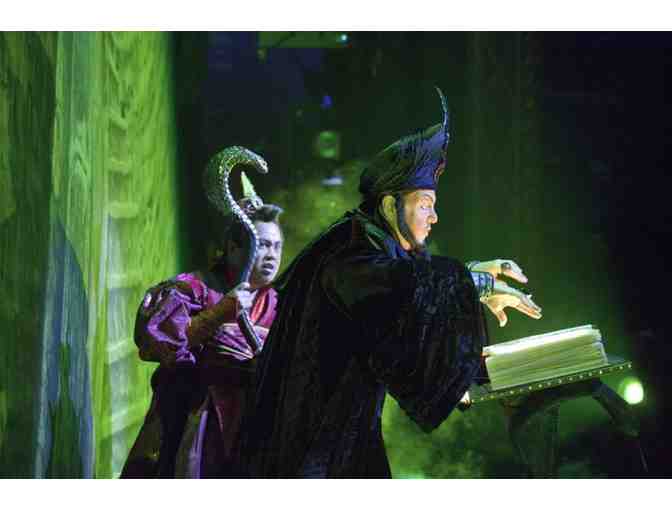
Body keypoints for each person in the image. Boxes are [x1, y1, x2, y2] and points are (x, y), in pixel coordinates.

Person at [243, 88, 542, 478]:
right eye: (425, 205)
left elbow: (406, 291)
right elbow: (399, 289)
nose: (434, 217)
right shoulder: (347, 250)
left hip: (343, 431)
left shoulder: (371, 242)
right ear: (389, 205)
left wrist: (472, 278)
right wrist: (475, 284)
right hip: (311, 439)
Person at [120, 191, 284, 478]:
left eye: (278, 246)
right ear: (233, 248)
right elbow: (153, 341)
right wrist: (218, 314)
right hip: (189, 426)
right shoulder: (195, 289)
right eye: (263, 245)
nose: (272, 255)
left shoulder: (281, 307)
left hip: (250, 436)